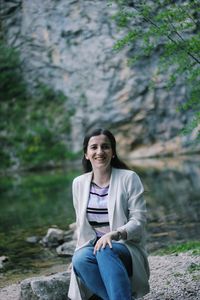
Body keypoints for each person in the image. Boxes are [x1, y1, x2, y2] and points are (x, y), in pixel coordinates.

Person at [68, 128, 150, 300]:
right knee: (80, 259)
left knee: (105, 250)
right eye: (94, 147)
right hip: (94, 247)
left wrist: (115, 234)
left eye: (105, 147)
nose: (99, 152)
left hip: (125, 246)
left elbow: (139, 220)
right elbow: (81, 226)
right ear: (86, 153)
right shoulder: (79, 184)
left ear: (113, 152)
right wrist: (77, 252)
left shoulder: (129, 178)